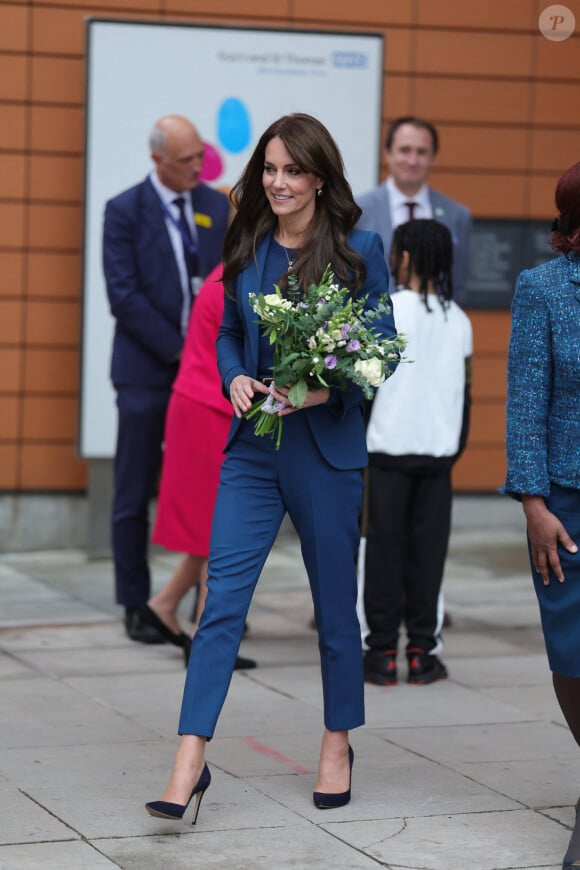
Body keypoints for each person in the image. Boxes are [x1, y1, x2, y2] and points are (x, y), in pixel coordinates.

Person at [144, 112, 397, 824]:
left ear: (318, 177)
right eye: (269, 169)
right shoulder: (247, 243)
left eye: (292, 170)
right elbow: (228, 332)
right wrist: (233, 378)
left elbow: (379, 355)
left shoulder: (358, 252)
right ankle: (189, 760)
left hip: (326, 454)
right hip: (254, 449)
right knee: (219, 604)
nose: (278, 182)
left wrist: (322, 387)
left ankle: (337, 743)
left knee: (332, 613)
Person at [102, 114, 230, 645]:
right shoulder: (124, 210)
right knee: (133, 491)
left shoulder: (214, 206)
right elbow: (124, 296)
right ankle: (137, 603)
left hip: (203, 380)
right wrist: (183, 353)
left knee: (212, 489)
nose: (197, 168)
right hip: (146, 373)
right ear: (157, 160)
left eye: (200, 157)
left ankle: (206, 605)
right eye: (186, 161)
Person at [503, 161, 580, 870]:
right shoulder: (543, 289)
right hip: (567, 503)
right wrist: (533, 503)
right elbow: (527, 401)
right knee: (573, 653)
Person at [363, 219, 472, 686]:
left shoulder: (385, 309)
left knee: (381, 555)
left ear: (404, 258)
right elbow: (465, 396)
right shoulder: (460, 320)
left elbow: (365, 385)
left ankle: (381, 653)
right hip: (438, 461)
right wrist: (453, 448)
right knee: (429, 558)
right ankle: (422, 654)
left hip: (386, 457)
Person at [137, 264, 256, 672]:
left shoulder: (226, 274)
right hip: (211, 409)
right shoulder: (238, 279)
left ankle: (165, 605)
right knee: (223, 532)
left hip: (204, 404)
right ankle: (210, 642)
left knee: (212, 530)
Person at [356, 116, 471, 304]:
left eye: (421, 152)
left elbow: (457, 282)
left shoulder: (456, 216)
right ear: (387, 152)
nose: (412, 160)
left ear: (433, 156)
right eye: (404, 150)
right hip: (371, 329)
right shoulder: (357, 212)